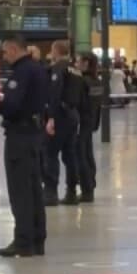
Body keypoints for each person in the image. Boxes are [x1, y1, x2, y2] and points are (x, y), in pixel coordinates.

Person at [0, 36, 47, 257]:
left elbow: (13, 105)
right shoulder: (38, 69)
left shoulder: (22, 72)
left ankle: (23, 241)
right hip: (35, 135)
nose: (5, 57)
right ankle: (37, 239)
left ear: (14, 49)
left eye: (6, 53)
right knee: (34, 190)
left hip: (20, 137)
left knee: (20, 191)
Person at [42, 40, 83, 206]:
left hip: (60, 115)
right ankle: (72, 191)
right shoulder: (76, 70)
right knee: (70, 155)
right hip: (73, 114)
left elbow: (55, 92)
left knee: (50, 153)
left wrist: (50, 117)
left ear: (56, 51)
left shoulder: (58, 69)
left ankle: (50, 192)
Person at [76, 53, 102, 203]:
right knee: (88, 154)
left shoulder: (82, 82)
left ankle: (86, 189)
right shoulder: (96, 82)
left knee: (81, 156)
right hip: (90, 122)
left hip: (81, 121)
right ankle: (90, 185)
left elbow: (77, 101)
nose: (77, 63)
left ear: (86, 63)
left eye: (79, 61)